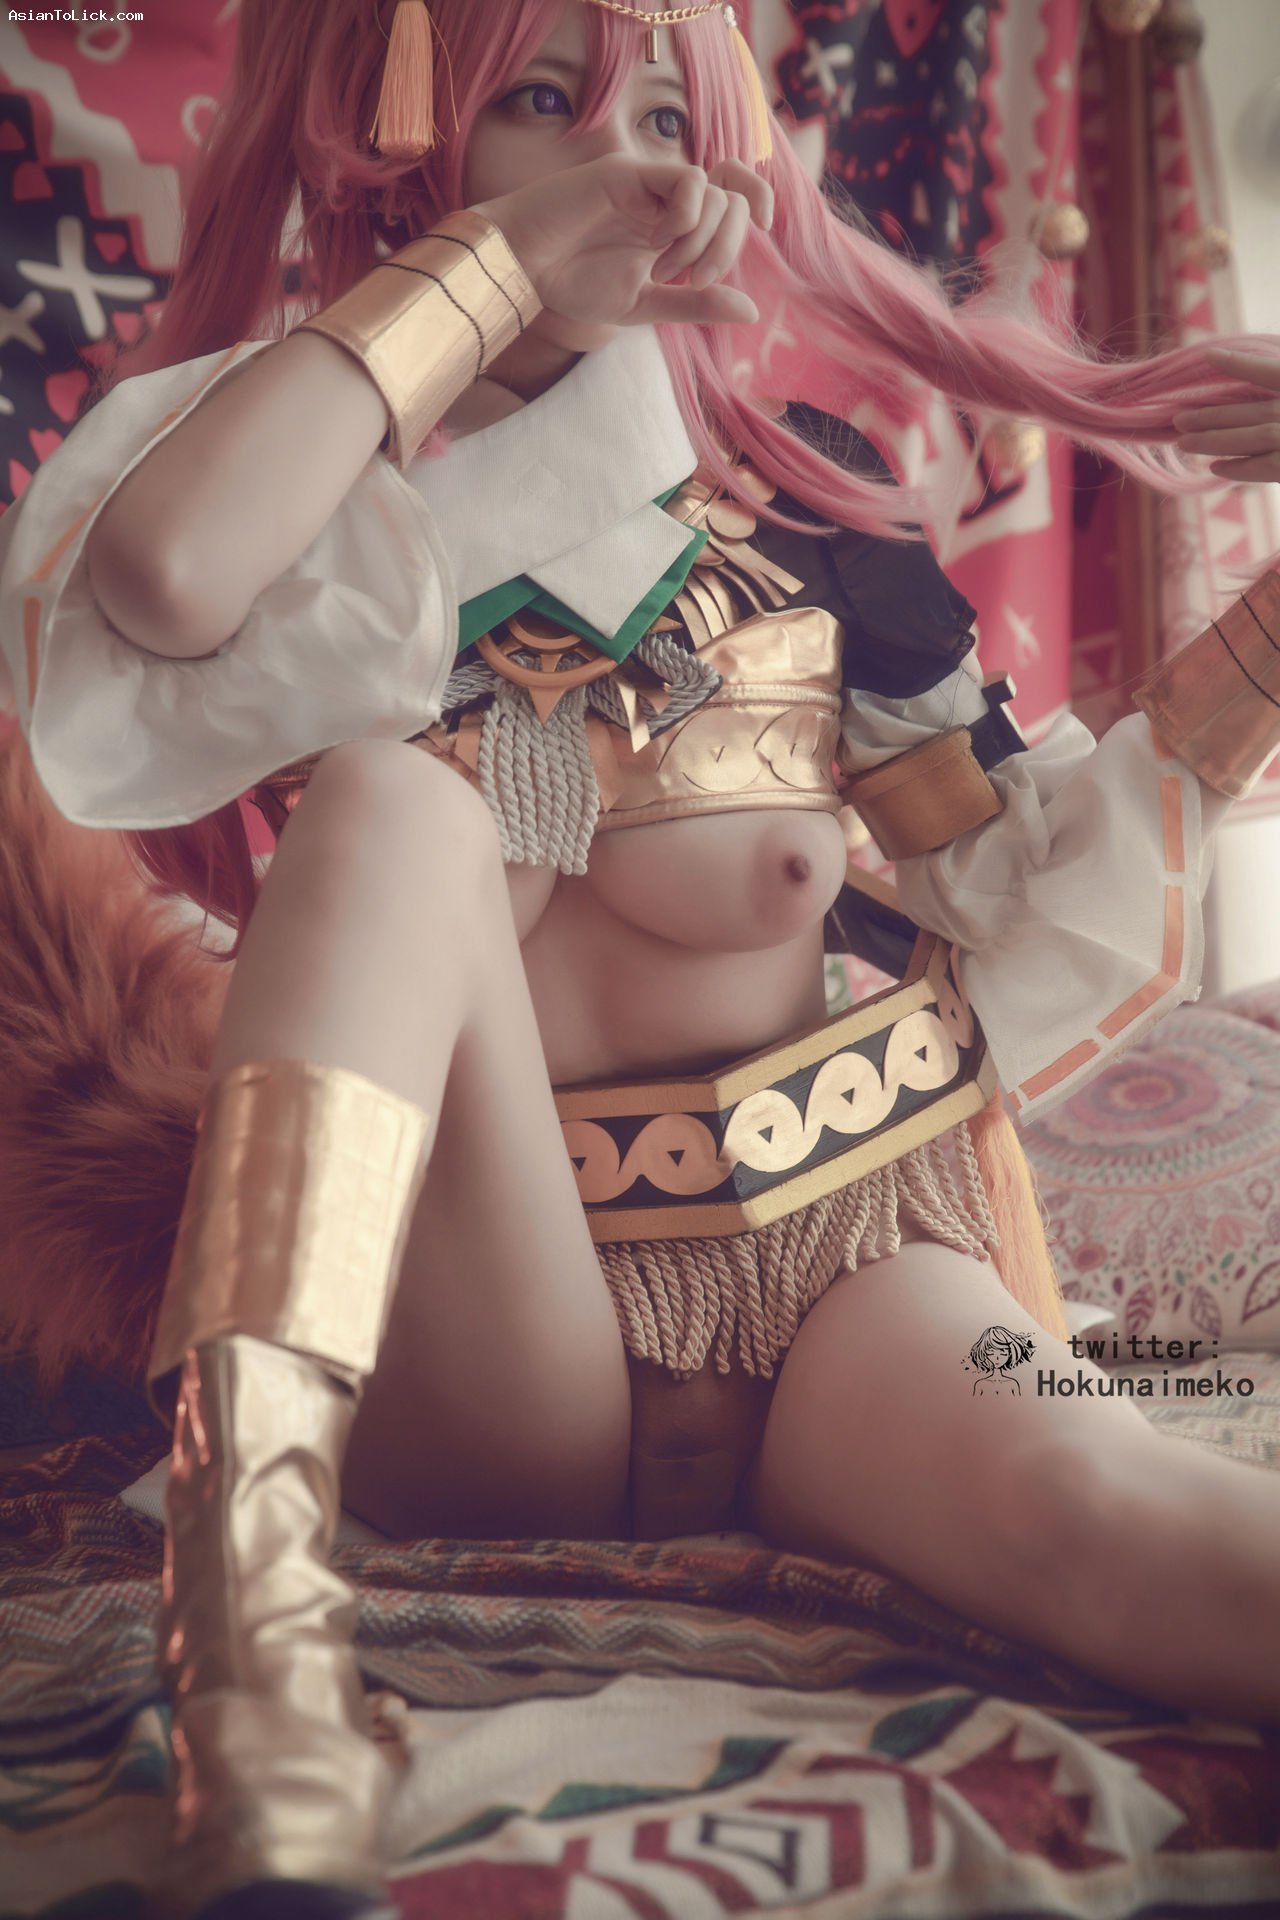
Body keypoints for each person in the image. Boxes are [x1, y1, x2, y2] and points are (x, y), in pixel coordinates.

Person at [2, 1, 1280, 1913]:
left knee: (1118, 1513)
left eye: (672, 119)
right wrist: (507, 259)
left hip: (843, 1259)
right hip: (503, 1324)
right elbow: (163, 578)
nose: (633, 167)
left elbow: (1032, 884)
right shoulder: (332, 553)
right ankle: (247, 1632)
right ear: (412, 148)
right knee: (397, 807)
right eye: (549, 106)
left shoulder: (804, 511)